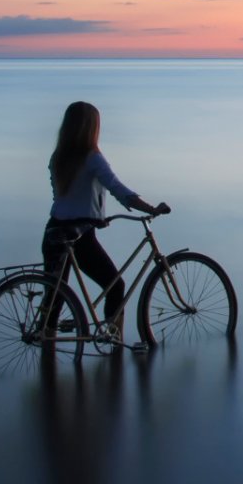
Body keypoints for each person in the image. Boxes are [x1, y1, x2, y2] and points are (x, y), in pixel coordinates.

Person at [44, 100, 171, 338]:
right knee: (116, 286)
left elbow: (64, 198)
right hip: (79, 236)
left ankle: (45, 358)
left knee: (55, 295)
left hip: (54, 231)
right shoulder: (92, 158)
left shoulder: (58, 157)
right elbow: (117, 188)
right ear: (91, 127)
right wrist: (150, 209)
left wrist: (95, 217)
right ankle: (114, 344)